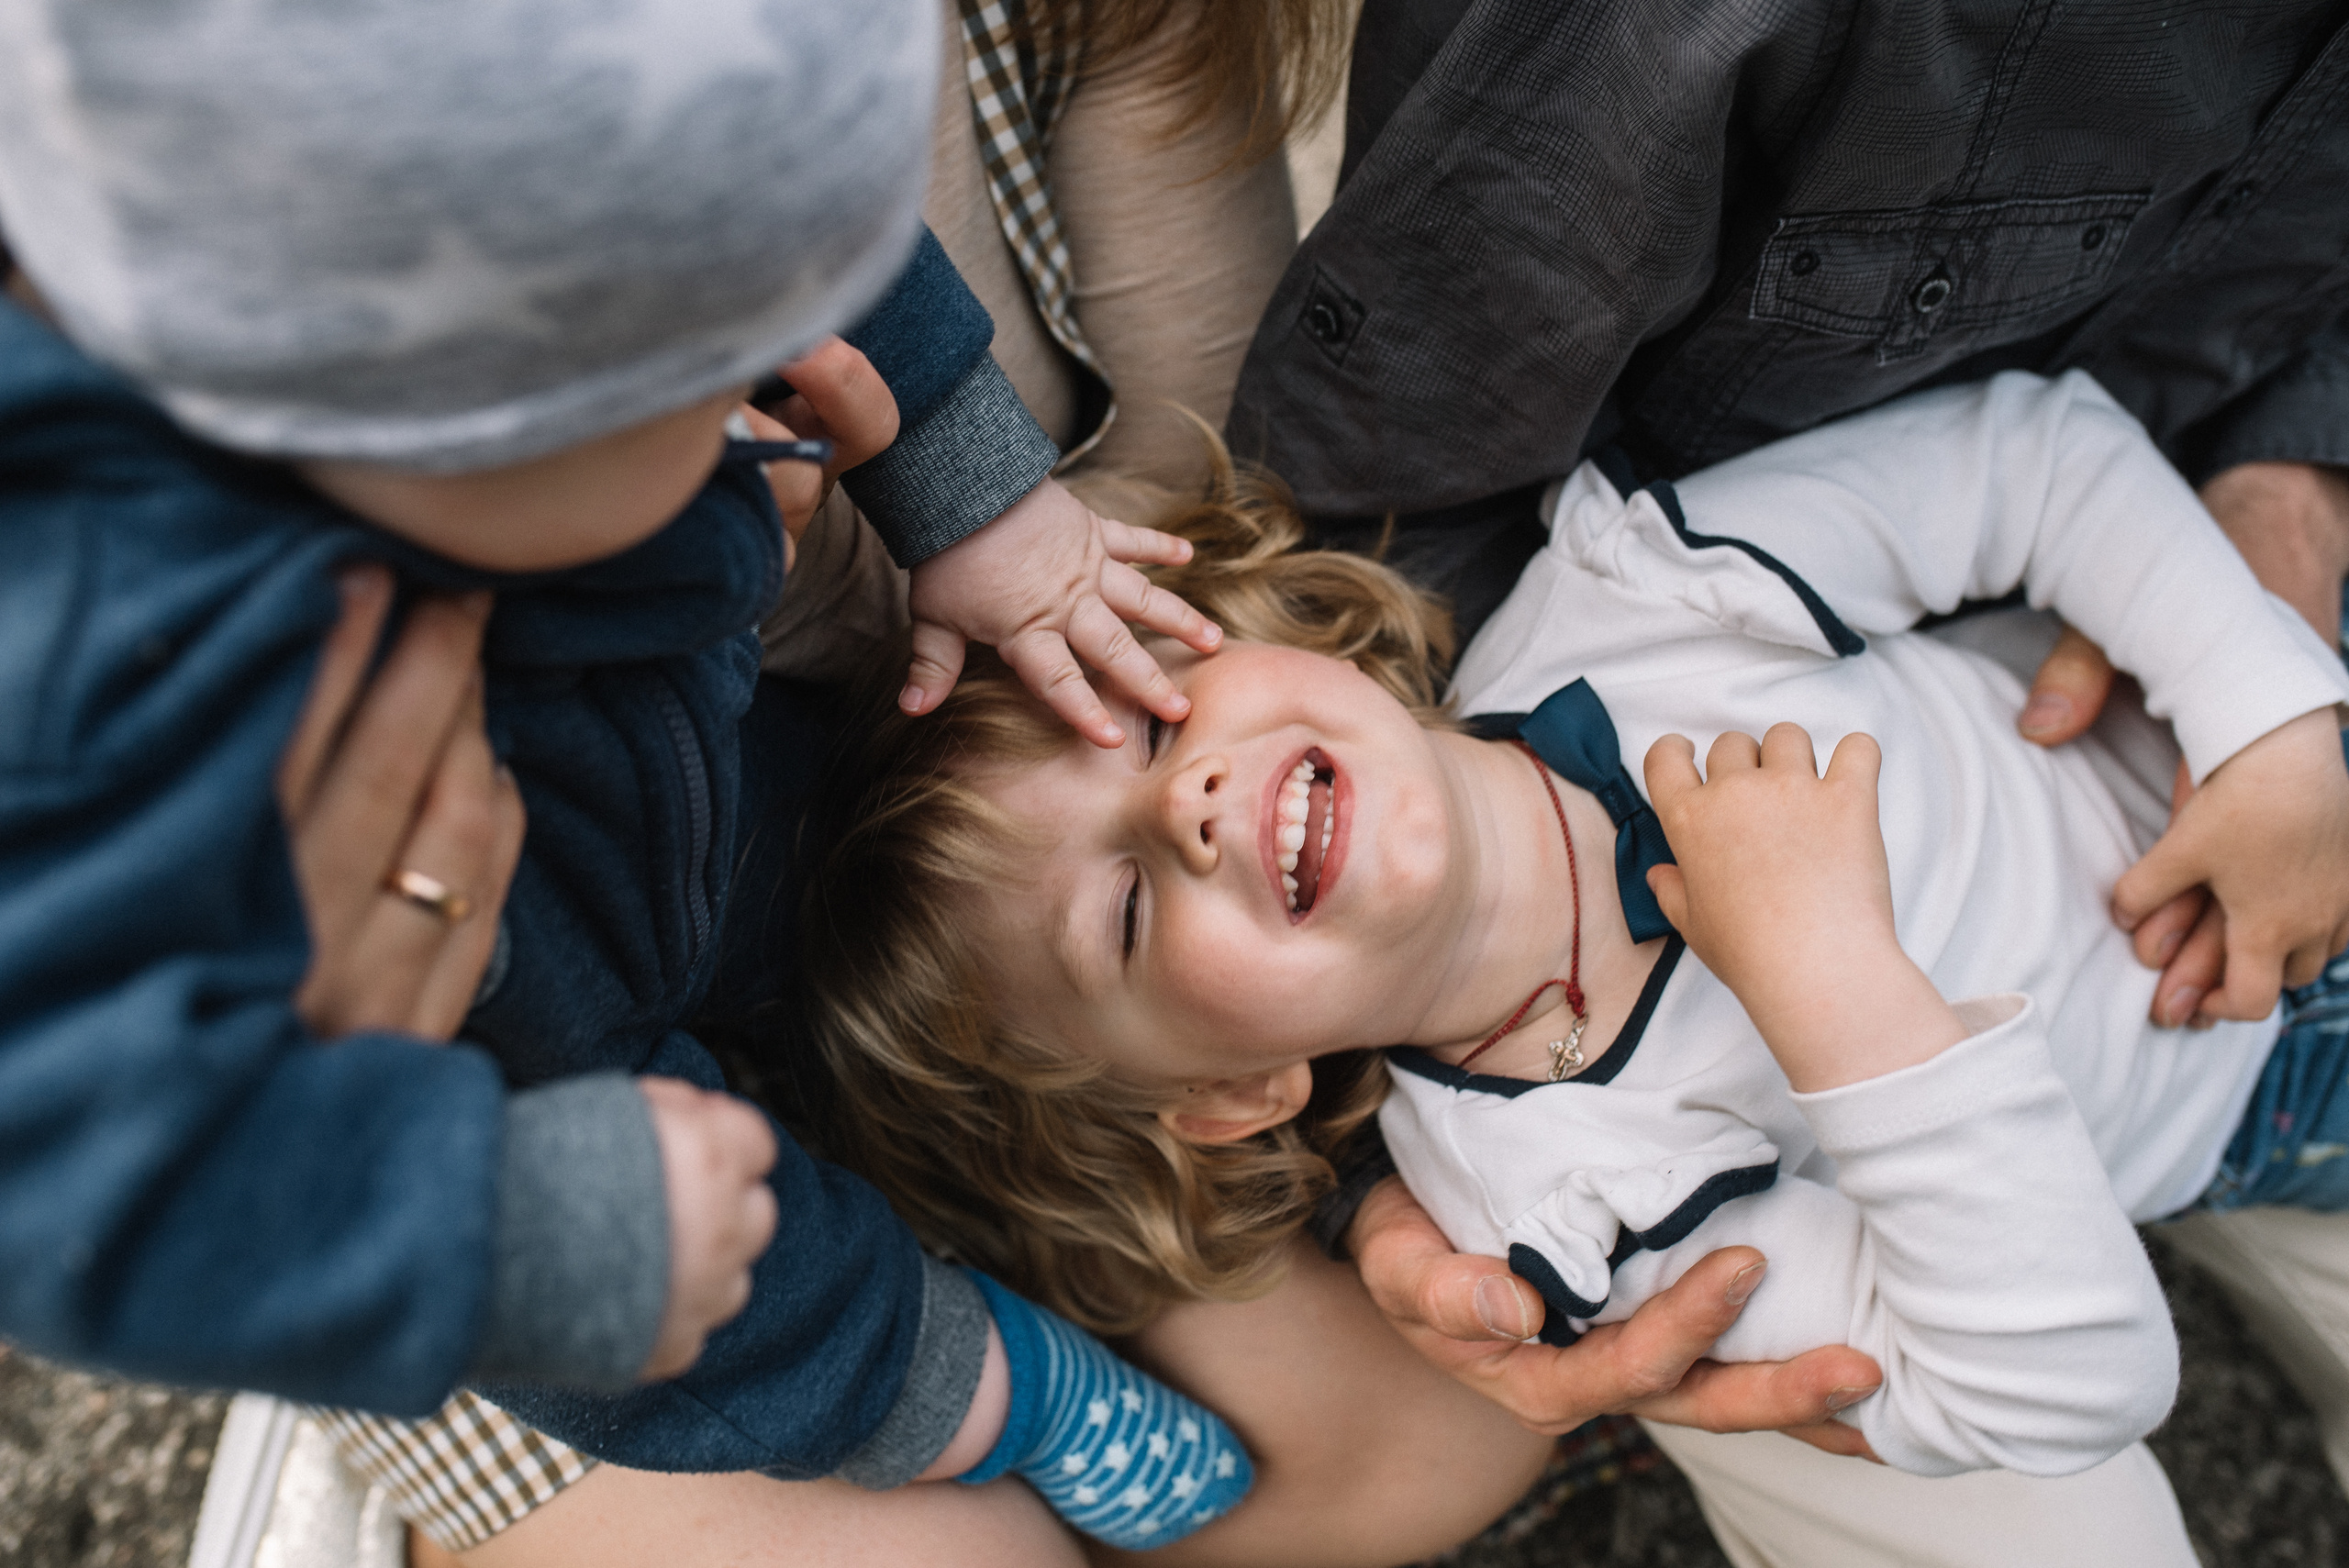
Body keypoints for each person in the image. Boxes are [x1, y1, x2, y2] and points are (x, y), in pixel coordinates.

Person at [0, 0, 1266, 1546]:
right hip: (498, 1067)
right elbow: (80, 1184)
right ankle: (973, 1380)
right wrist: (516, 1237)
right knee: (714, 1276)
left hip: (675, 758)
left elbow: (768, 200)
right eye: (703, 383)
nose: (773, 379)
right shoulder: (85, 693)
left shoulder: (440, 198)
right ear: (470, 427)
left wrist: (968, 489)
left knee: (844, 920)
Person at [787, 371, 2349, 1554]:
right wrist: (1826, 972)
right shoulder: (1558, 1213)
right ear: (1231, 1092)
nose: (1183, 805)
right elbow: (2062, 1386)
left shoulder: (1642, 592)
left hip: (2259, 770)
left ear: (1256, 638)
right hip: (2263, 1111)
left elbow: (2036, 455)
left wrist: (2268, 723)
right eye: (1123, 912)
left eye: (1141, 718)